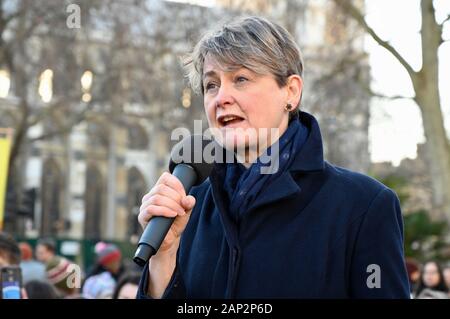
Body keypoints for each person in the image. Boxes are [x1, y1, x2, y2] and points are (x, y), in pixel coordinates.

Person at [137, 16, 410, 299]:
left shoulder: (363, 206)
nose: (221, 98)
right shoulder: (189, 205)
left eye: (240, 79)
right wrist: (163, 259)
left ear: (291, 91)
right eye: (211, 85)